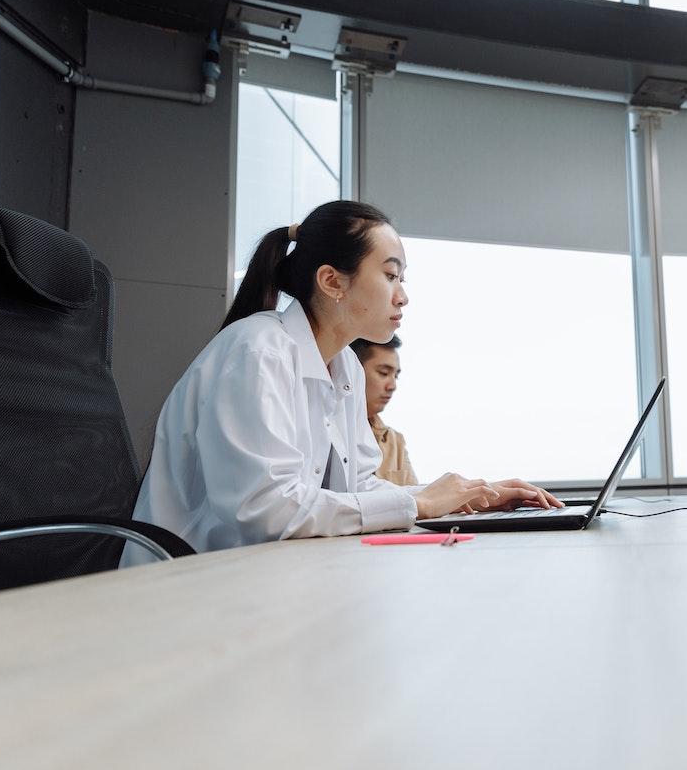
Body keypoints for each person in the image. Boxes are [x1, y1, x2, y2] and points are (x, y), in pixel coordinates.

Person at [121, 201, 560, 566]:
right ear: (332, 281)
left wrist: (467, 496)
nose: (402, 295)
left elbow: (360, 490)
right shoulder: (259, 351)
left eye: (402, 279)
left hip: (267, 578)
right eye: (390, 275)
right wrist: (420, 504)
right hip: (189, 584)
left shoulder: (345, 366)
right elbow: (263, 511)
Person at [349, 336, 417, 487]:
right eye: (384, 373)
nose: (392, 386)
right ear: (352, 371)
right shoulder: (324, 430)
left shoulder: (394, 441)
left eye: (396, 376)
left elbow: (418, 502)